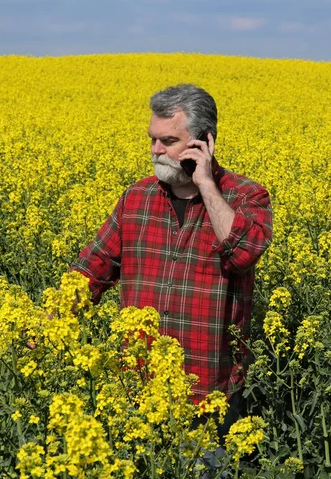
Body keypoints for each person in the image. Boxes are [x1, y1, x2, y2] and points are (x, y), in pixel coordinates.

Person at [71, 84, 273, 438]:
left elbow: (243, 252)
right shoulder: (137, 198)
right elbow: (93, 267)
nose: (155, 150)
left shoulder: (245, 196)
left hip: (207, 394)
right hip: (138, 387)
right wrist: (50, 319)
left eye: (167, 141)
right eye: (152, 139)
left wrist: (206, 185)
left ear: (203, 142)